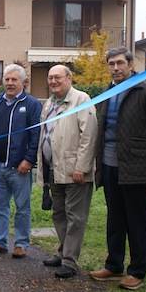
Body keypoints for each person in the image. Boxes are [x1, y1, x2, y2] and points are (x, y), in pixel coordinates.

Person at [90, 47, 146, 291]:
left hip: (137, 169)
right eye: (111, 64)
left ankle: (137, 271)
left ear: (130, 64)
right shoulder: (108, 92)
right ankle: (113, 265)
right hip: (109, 166)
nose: (115, 68)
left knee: (138, 222)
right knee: (115, 219)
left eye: (119, 63)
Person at [36, 65, 97, 278]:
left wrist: (82, 167)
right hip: (54, 169)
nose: (53, 81)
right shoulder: (49, 104)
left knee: (75, 217)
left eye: (57, 77)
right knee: (59, 213)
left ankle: (70, 262)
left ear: (69, 78)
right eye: (50, 78)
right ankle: (63, 252)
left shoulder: (81, 99)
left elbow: (88, 136)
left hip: (75, 171)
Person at [0, 63, 41, 258]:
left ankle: (21, 244)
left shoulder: (31, 104)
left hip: (19, 167)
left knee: (22, 208)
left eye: (14, 80)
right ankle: (0, 241)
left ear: (23, 82)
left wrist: (29, 160)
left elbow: (35, 134)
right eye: (7, 79)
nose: (10, 83)